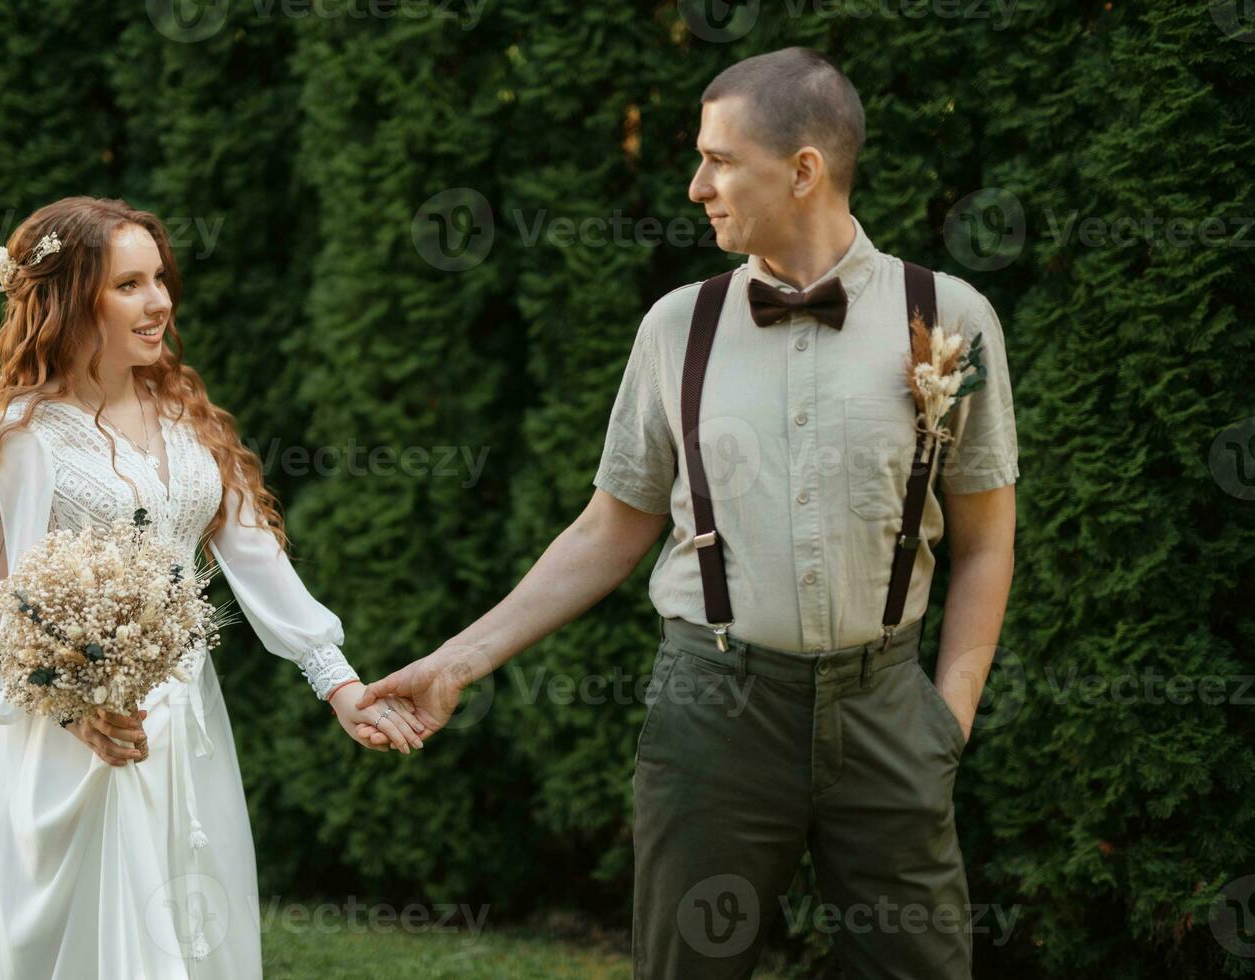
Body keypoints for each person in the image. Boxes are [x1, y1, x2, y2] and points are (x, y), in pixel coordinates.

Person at [357, 48, 1018, 978]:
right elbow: (608, 527)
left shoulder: (948, 317)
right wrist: (457, 661)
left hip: (887, 714)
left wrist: (945, 723)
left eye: (719, 159)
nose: (697, 183)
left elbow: (987, 543)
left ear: (802, 170)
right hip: (714, 711)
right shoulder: (678, 327)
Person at [0, 196, 429, 979]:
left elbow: (255, 556)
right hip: (71, 746)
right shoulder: (18, 442)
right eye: (129, 285)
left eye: (159, 279)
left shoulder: (187, 417)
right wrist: (80, 713)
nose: (160, 302)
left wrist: (339, 682)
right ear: (72, 300)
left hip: (189, 724)